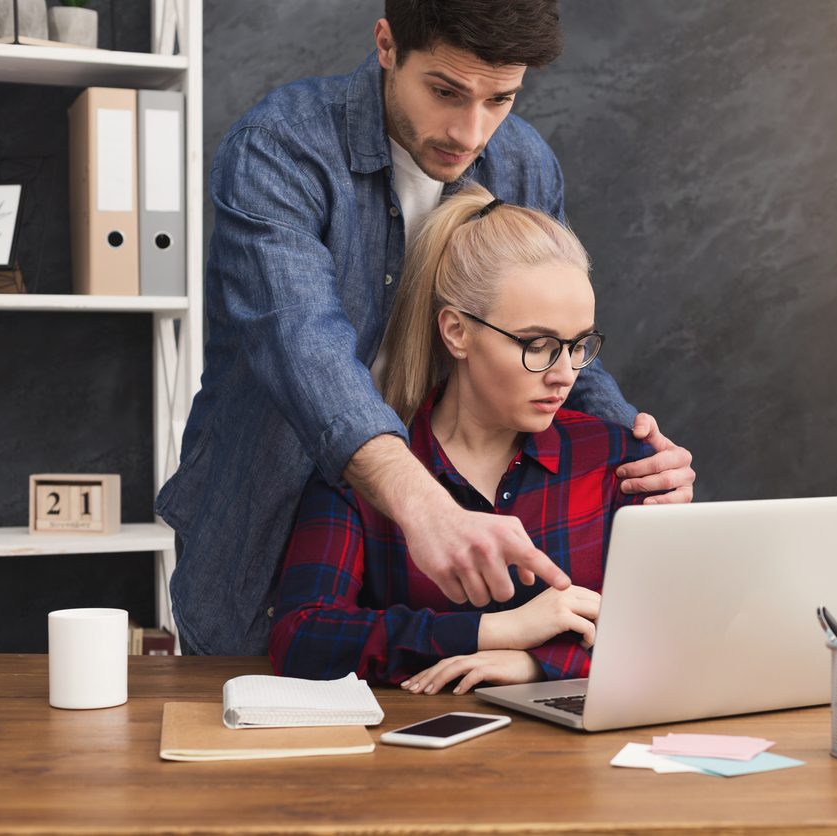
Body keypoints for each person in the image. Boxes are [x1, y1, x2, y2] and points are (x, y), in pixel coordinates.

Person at [155, 0, 695, 656]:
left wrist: (638, 453)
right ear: (387, 45)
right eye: (445, 92)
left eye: (501, 98)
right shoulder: (279, 146)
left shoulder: (525, 165)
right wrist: (424, 505)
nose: (471, 132)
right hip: (263, 528)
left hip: (419, 552)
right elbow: (300, 341)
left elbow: (547, 326)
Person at [270, 184, 653, 692]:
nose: (566, 374)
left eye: (580, 345)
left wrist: (538, 663)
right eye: (538, 345)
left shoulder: (620, 462)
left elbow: (678, 629)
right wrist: (495, 632)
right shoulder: (366, 474)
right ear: (456, 332)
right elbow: (302, 639)